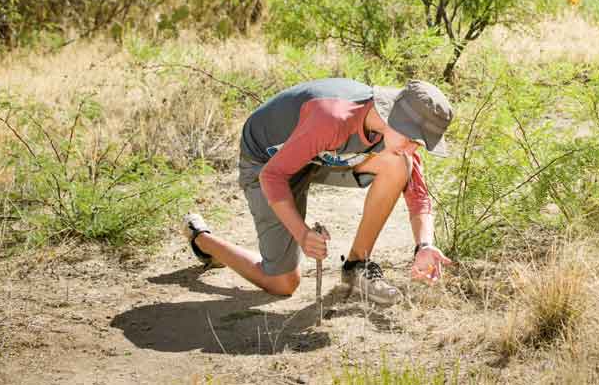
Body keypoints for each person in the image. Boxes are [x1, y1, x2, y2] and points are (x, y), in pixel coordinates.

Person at [181, 78, 454, 306]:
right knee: (282, 284)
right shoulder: (332, 118)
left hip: (318, 156)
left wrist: (425, 245)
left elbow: (417, 193)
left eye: (418, 143)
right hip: (268, 162)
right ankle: (203, 240)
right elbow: (273, 175)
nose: (412, 148)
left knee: (398, 165)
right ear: (391, 116)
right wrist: (302, 234)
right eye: (410, 139)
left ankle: (357, 265)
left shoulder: (395, 134)